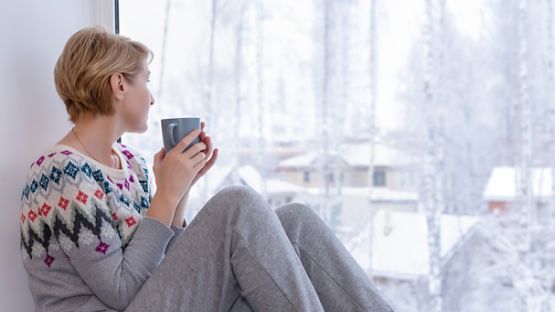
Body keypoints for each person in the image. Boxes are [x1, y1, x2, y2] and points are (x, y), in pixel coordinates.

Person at [19, 26, 393, 312]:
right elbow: (120, 291)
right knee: (236, 206)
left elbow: (158, 265)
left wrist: (179, 193)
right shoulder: (59, 174)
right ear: (118, 84)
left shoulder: (129, 163)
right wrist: (164, 196)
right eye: (145, 82)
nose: (151, 97)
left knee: (293, 221)